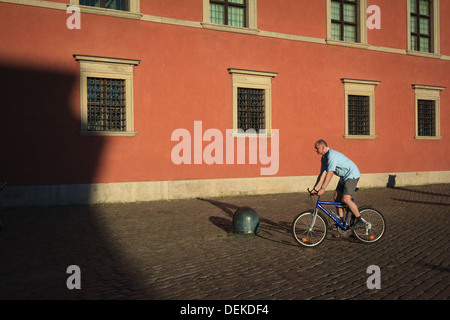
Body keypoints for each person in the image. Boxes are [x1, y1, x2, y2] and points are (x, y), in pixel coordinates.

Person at [311, 140, 365, 229]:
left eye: (317, 148)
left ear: (323, 147)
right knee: (336, 197)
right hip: (344, 177)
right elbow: (322, 175)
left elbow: (330, 173)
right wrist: (315, 189)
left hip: (352, 175)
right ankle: (340, 220)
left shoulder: (332, 156)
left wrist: (323, 188)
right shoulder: (324, 158)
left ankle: (360, 220)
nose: (316, 150)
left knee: (346, 199)